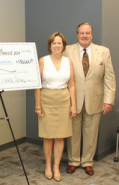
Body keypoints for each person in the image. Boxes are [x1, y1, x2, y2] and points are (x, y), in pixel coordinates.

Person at [64, 22, 116, 176]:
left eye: (87, 33)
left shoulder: (104, 51)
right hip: (73, 100)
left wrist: (109, 100)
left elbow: (109, 78)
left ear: (92, 34)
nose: (84, 35)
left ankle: (87, 161)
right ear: (77, 34)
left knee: (91, 132)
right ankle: (73, 161)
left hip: (95, 100)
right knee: (72, 132)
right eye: (81, 33)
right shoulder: (67, 51)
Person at [35, 32, 76, 182]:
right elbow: (37, 85)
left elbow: (71, 85)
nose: (57, 46)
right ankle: (48, 166)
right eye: (54, 43)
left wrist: (74, 105)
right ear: (50, 45)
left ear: (63, 45)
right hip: (46, 100)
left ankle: (56, 166)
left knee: (60, 136)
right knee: (48, 136)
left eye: (59, 43)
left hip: (64, 101)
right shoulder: (42, 61)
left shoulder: (68, 61)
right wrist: (38, 105)